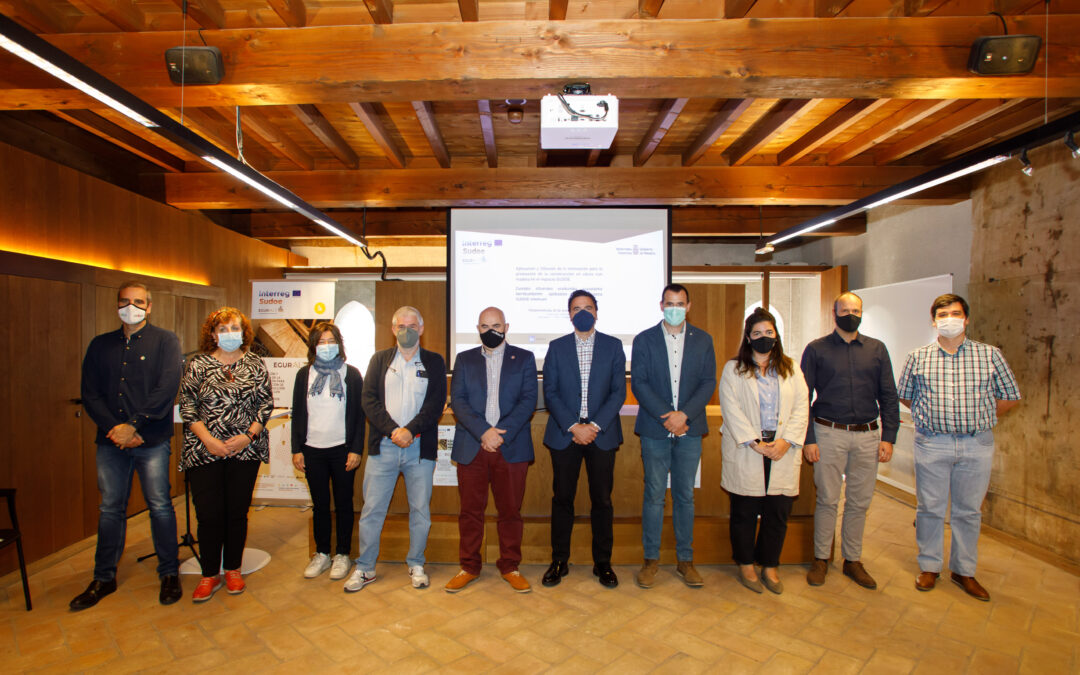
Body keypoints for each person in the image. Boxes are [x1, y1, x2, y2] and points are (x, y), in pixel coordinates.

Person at [897, 294, 1020, 601]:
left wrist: (982, 418)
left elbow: (1010, 396)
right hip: (932, 443)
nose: (948, 319)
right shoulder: (918, 357)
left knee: (968, 511)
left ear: (966, 319)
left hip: (975, 443)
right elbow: (906, 396)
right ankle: (929, 566)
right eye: (942, 314)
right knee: (929, 508)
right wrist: (932, 418)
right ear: (934, 321)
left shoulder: (989, 355)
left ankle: (964, 570)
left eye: (954, 313)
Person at [70, 281, 184, 611]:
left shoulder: (165, 341)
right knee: (110, 509)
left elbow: (166, 388)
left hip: (151, 439)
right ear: (117, 305)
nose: (130, 306)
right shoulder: (100, 345)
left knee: (160, 505)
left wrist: (134, 425)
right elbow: (90, 393)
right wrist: (115, 429)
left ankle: (169, 573)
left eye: (138, 301)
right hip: (111, 443)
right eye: (124, 301)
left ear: (149, 306)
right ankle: (103, 577)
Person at [800, 292, 900, 590]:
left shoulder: (876, 350)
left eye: (855, 309)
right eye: (844, 309)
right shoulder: (816, 350)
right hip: (828, 432)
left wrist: (889, 436)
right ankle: (820, 558)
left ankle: (852, 560)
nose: (850, 314)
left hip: (868, 435)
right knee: (828, 498)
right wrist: (809, 438)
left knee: (859, 501)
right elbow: (803, 398)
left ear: (861, 312)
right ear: (834, 313)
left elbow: (889, 395)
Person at [346, 306, 447, 592]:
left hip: (419, 449)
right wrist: (393, 430)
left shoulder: (434, 362)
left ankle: (416, 563)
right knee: (372, 510)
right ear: (393, 329)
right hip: (385, 448)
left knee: (420, 511)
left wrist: (410, 431)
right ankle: (365, 568)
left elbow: (435, 404)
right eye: (401, 325)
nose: (407, 330)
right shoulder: (379, 360)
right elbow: (369, 400)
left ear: (422, 329)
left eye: (412, 325)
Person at [179, 307, 273, 602]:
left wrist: (248, 437)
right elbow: (187, 407)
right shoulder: (197, 365)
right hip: (205, 450)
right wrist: (209, 441)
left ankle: (232, 568)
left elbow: (265, 405)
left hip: (245, 451)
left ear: (244, 333)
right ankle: (209, 574)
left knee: (236, 513)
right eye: (223, 329)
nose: (229, 334)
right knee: (208, 515)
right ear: (212, 333)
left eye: (235, 329)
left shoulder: (256, 364)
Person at [630, 283, 717, 589]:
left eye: (680, 303)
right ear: (661, 305)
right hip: (655, 429)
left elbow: (708, 383)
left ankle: (685, 561)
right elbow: (639, 383)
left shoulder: (703, 340)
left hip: (690, 429)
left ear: (688, 306)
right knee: (653, 495)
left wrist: (684, 416)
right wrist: (667, 416)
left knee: (685, 497)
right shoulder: (644, 340)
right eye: (669, 303)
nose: (675, 308)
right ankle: (651, 560)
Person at [445, 307, 538, 594]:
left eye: (496, 325)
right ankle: (469, 566)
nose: (490, 331)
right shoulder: (464, 359)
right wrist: (484, 431)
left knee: (510, 511)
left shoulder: (524, 358)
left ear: (506, 326)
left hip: (510, 447)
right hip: (473, 445)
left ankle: (510, 566)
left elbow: (528, 401)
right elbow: (458, 401)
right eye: (485, 326)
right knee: (470, 512)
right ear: (477, 328)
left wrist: (499, 435)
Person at [718, 307, 809, 595]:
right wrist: (755, 442)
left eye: (769, 333)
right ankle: (746, 564)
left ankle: (770, 565)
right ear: (748, 337)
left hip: (782, 449)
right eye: (757, 333)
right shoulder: (734, 369)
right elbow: (730, 410)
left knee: (777, 513)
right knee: (744, 512)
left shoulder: (791, 368)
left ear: (776, 336)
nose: (764, 338)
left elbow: (801, 408)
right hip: (749, 449)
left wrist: (786, 442)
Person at [541, 290, 626, 588]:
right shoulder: (557, 347)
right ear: (569, 314)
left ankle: (603, 563)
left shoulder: (614, 347)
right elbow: (549, 392)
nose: (582, 312)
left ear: (597, 312)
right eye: (576, 308)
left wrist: (595, 425)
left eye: (588, 307)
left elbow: (619, 392)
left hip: (602, 436)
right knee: (562, 498)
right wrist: (574, 426)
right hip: (566, 435)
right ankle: (559, 561)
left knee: (601, 500)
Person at [291, 322, 365, 581]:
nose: (326, 346)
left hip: (342, 449)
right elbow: (298, 413)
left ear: (339, 344)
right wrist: (296, 449)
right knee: (320, 505)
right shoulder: (304, 375)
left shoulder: (352, 375)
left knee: (344, 503)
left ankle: (342, 554)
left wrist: (356, 449)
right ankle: (322, 553)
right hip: (312, 450)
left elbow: (358, 416)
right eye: (321, 342)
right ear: (313, 346)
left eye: (330, 340)